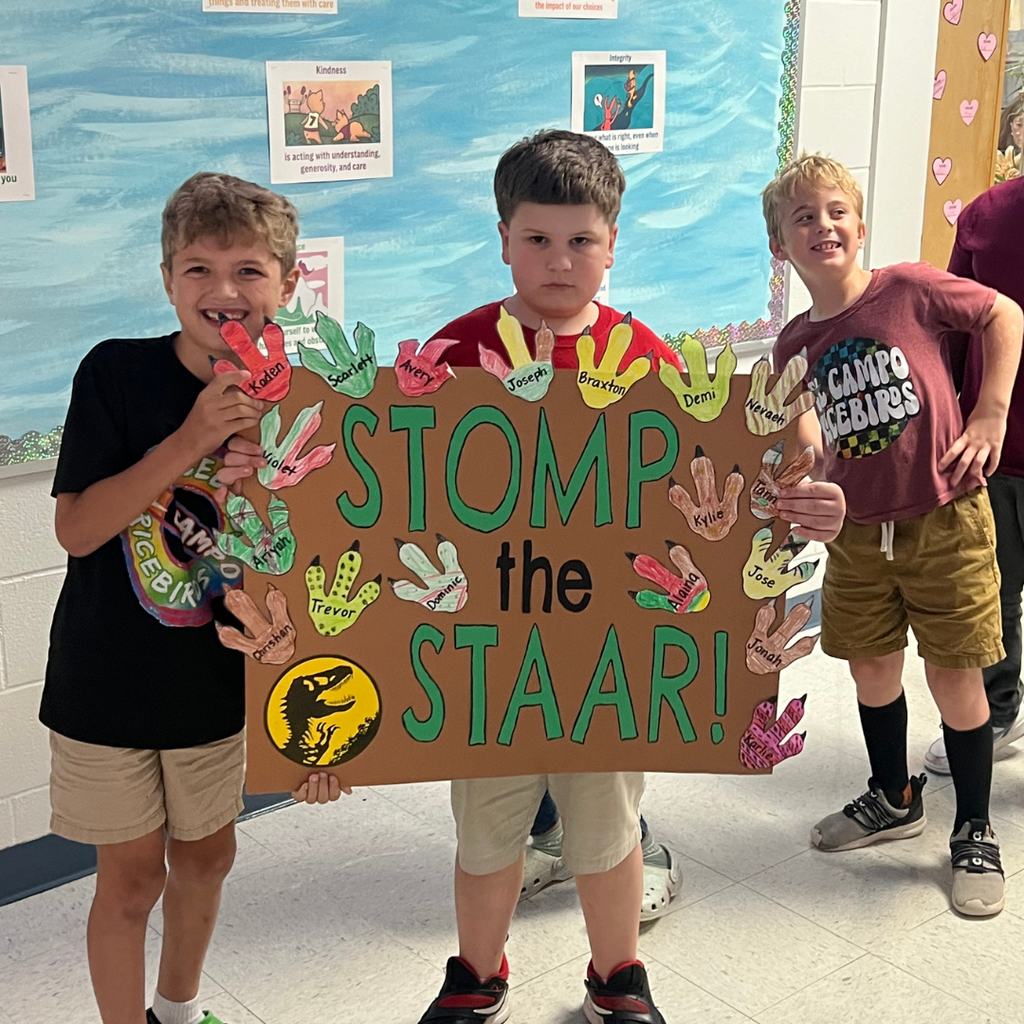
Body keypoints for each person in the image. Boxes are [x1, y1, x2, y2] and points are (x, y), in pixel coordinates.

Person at [415, 130, 847, 1024]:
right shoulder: (451, 355)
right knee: (487, 829)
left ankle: (618, 977)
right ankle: (475, 973)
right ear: (502, 239)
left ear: (612, 246)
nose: (560, 260)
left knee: (607, 832)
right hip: (487, 653)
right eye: (537, 239)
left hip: (607, 650)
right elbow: (390, 486)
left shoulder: (647, 360)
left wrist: (810, 500)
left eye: (581, 241)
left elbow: (723, 486)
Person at [41, 171, 341, 1024]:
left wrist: (327, 734)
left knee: (208, 858)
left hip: (216, 686)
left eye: (249, 269)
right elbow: (77, 530)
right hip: (106, 680)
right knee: (130, 879)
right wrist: (193, 439)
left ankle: (176, 1011)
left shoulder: (308, 400)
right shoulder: (114, 375)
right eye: (199, 269)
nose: (224, 291)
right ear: (168, 279)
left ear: (288, 283)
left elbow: (321, 565)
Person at [763, 153, 1023, 917]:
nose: (823, 225)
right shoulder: (791, 347)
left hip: (947, 521)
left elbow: (1004, 314)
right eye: (803, 217)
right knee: (872, 673)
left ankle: (973, 828)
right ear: (781, 245)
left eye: (836, 210)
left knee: (955, 679)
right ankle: (893, 796)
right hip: (857, 539)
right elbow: (806, 441)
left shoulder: (907, 289)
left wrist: (991, 411)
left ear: (861, 224)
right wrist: (798, 481)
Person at [924, 175, 1024, 776]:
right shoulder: (988, 213)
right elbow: (952, 338)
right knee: (991, 594)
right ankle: (996, 711)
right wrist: (947, 426)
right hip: (990, 453)